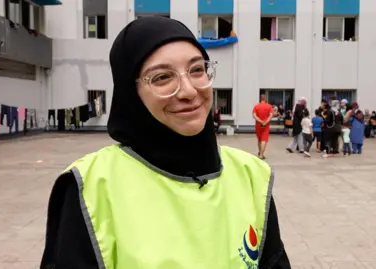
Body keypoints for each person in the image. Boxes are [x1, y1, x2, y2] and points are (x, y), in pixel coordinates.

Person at [40, 17, 291, 269]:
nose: (188, 91)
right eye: (162, 77)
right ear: (131, 93)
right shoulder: (91, 187)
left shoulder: (251, 176)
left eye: (196, 70)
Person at [253, 95, 273, 159]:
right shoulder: (269, 106)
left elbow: (254, 115)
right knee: (264, 139)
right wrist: (266, 122)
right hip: (266, 125)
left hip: (258, 125)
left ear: (260, 99)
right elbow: (271, 115)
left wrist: (260, 121)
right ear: (265, 99)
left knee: (259, 139)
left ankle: (260, 152)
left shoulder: (256, 106)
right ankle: (261, 154)